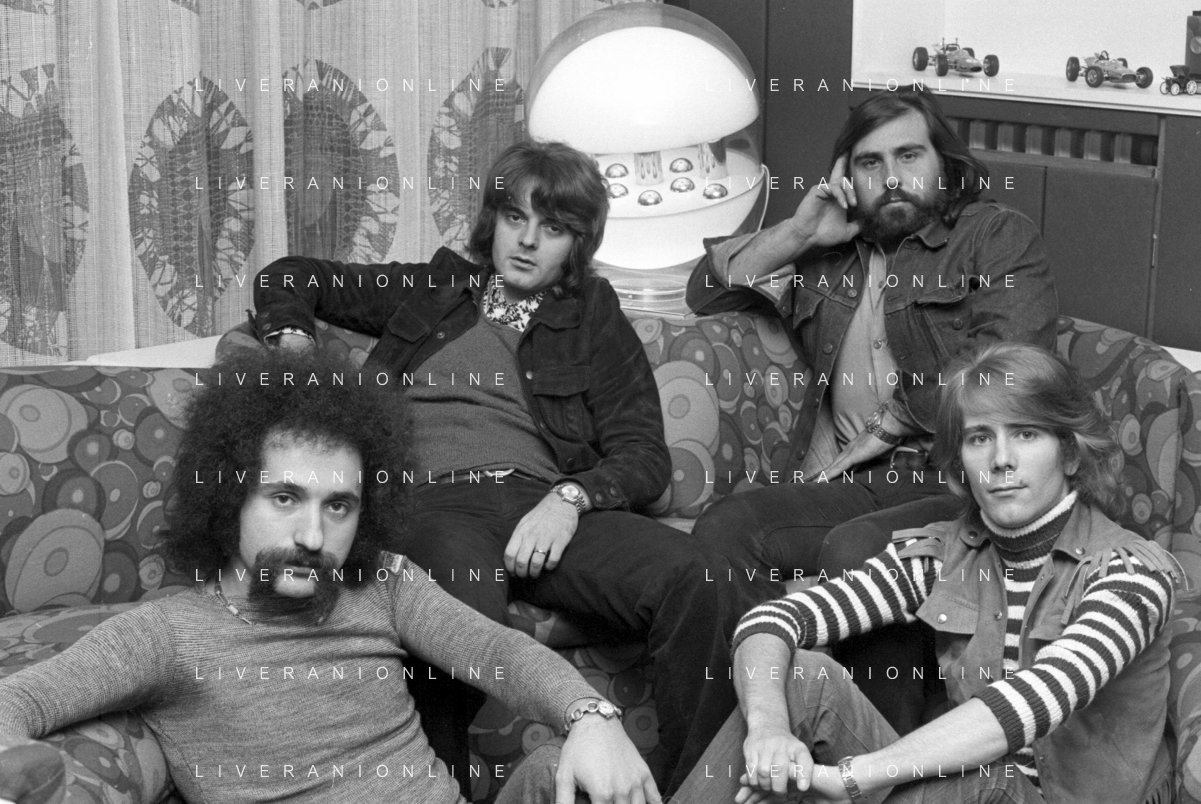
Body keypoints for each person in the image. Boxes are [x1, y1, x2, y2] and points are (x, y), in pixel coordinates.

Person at [251, 139, 767, 796]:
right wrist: (292, 339)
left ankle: (698, 790)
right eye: (515, 217)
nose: (527, 241)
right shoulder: (432, 288)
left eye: (553, 228)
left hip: (542, 504)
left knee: (700, 575)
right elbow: (289, 275)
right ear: (491, 219)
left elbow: (643, 455)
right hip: (433, 502)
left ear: (576, 244)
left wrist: (569, 500)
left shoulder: (592, 315)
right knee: (454, 603)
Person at [0, 349, 660, 804]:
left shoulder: (386, 586)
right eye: (285, 498)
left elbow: (498, 650)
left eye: (338, 506)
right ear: (229, 499)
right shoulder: (167, 636)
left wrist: (592, 717)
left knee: (569, 767)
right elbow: (22, 700)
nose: (314, 537)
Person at [686, 85, 1058, 730]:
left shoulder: (996, 237)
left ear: (944, 163)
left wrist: (894, 420)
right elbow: (705, 291)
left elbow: (1006, 372)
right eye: (869, 163)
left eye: (909, 156)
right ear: (846, 178)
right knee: (725, 527)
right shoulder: (828, 254)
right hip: (852, 484)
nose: (891, 178)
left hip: (954, 480)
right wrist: (802, 231)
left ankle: (882, 762)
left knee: (858, 549)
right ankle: (751, 740)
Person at [670, 342, 1178, 804]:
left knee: (993, 776)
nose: (1001, 460)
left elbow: (1034, 699)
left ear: (1069, 453)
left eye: (1026, 434)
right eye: (980, 438)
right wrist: (768, 735)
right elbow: (771, 621)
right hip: (968, 792)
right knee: (803, 677)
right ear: (960, 463)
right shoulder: (946, 554)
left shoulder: (1130, 573)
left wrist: (854, 777)